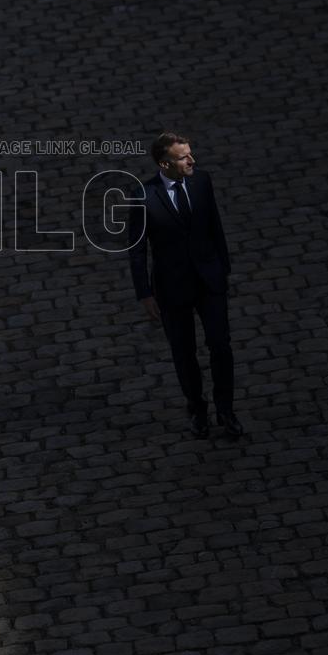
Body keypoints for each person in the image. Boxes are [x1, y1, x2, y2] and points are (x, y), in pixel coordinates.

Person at [128, 131, 243, 439]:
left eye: (190, 153)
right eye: (184, 157)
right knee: (184, 352)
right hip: (172, 287)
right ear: (165, 164)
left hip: (209, 280)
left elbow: (214, 226)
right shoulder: (144, 196)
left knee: (220, 345)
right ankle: (197, 408)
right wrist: (145, 293)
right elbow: (137, 250)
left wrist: (224, 269)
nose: (192, 160)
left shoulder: (202, 181)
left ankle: (226, 409)